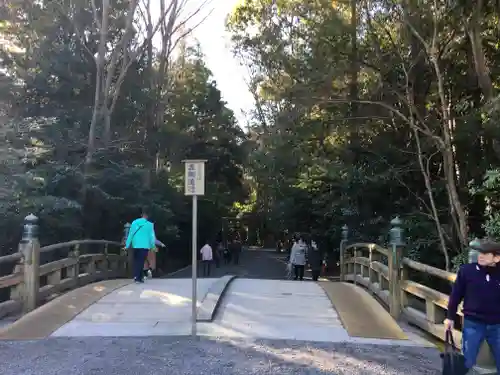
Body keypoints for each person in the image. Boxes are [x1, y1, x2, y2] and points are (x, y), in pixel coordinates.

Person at [445, 239, 500, 372]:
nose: (480, 256)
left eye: (486, 254)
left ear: (497, 258)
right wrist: (450, 317)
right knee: (467, 361)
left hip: (497, 325)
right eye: (480, 252)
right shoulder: (467, 271)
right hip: (473, 323)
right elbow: (456, 295)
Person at [125, 208, 156, 283]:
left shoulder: (134, 222)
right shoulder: (150, 225)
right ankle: (138, 277)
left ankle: (137, 276)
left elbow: (130, 234)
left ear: (141, 215)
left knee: (136, 261)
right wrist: (153, 246)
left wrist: (127, 245)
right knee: (141, 261)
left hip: (135, 244)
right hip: (145, 245)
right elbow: (152, 237)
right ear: (147, 216)